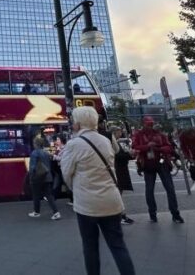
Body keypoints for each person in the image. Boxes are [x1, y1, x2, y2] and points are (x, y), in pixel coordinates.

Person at [61, 106, 135, 275]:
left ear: (79, 124)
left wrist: (77, 189)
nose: (72, 124)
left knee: (90, 247)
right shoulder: (105, 141)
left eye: (73, 121)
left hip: (87, 205)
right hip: (112, 201)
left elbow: (66, 173)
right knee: (118, 246)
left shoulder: (74, 144)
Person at [131, 116, 184, 223]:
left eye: (151, 124)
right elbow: (134, 146)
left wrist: (158, 148)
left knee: (170, 189)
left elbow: (169, 147)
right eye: (148, 124)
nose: (150, 126)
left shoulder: (159, 134)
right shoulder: (139, 134)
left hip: (161, 162)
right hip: (147, 164)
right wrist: (147, 146)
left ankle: (175, 213)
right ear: (144, 124)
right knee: (149, 190)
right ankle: (152, 214)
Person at [28, 136, 61, 220]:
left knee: (36, 195)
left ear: (35, 144)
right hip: (47, 176)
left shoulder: (34, 153)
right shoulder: (46, 152)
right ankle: (56, 212)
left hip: (38, 178)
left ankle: (36, 212)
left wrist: (31, 177)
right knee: (49, 195)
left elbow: (33, 167)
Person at [110, 126, 135, 224]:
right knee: (117, 194)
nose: (120, 134)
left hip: (119, 170)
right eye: (118, 132)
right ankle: (119, 215)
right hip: (118, 171)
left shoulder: (115, 142)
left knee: (118, 193)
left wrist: (129, 155)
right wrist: (129, 154)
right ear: (114, 133)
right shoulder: (112, 143)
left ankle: (120, 214)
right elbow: (118, 156)